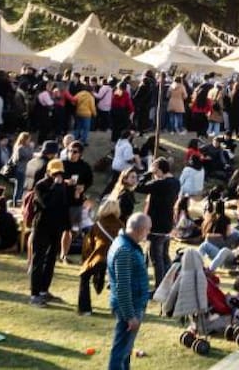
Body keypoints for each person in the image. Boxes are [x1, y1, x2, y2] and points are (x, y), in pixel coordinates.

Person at [30, 159, 79, 306]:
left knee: (51, 260)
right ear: (48, 172)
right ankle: (35, 294)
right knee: (39, 260)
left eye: (60, 173)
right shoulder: (40, 186)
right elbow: (46, 204)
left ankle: (44, 290)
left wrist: (68, 226)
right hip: (42, 226)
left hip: (56, 227)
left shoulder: (62, 186)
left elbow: (64, 205)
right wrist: (56, 186)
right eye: (55, 173)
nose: (57, 175)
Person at [107, 213, 152, 370]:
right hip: (129, 307)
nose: (148, 233)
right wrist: (130, 316)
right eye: (148, 230)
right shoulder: (124, 250)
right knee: (120, 353)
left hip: (132, 303)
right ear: (141, 230)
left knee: (125, 351)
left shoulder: (125, 244)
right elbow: (123, 286)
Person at [134, 157, 179, 291]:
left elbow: (139, 187)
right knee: (164, 256)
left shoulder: (160, 184)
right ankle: (169, 283)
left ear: (159, 170)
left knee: (156, 258)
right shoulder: (175, 182)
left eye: (155, 171)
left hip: (156, 225)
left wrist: (148, 173)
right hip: (167, 223)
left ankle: (160, 287)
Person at [79, 198, 124, 316]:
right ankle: (118, 310)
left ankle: (85, 309)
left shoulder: (97, 225)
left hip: (100, 257)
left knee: (84, 277)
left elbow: (88, 245)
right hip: (116, 259)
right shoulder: (121, 225)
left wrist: (85, 261)